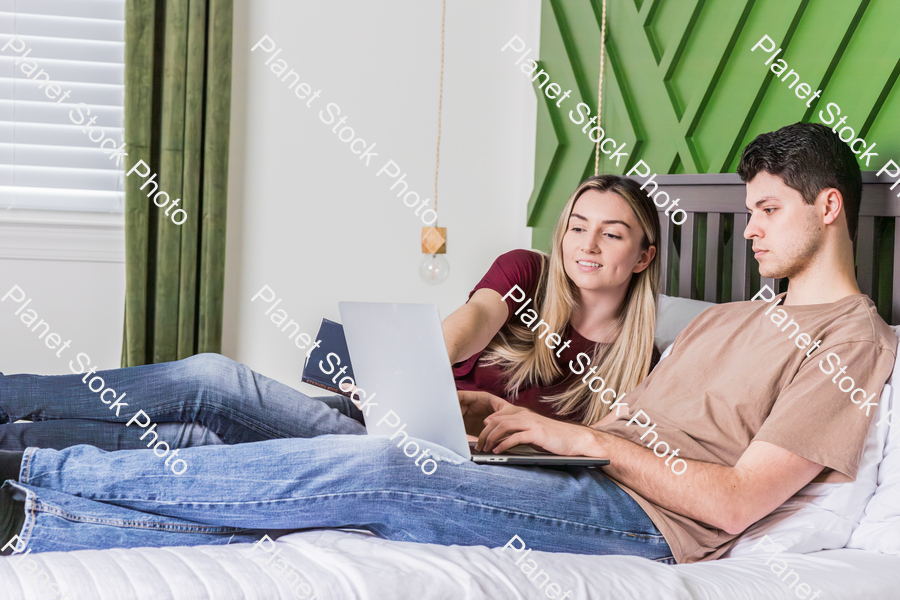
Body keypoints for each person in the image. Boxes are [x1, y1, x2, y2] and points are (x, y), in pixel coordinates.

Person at [0, 122, 892, 566]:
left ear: (830, 207)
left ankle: (35, 488)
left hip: (644, 524)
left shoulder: (854, 342)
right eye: (746, 215)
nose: (749, 234)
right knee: (251, 410)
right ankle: (45, 517)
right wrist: (507, 424)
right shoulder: (729, 318)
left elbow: (736, 503)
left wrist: (574, 437)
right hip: (575, 478)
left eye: (766, 213)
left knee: (378, 475)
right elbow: (625, 422)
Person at [0, 174, 660, 455]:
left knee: (214, 384)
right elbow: (467, 326)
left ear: (642, 256)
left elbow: (599, 453)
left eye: (612, 233)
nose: (588, 245)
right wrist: (404, 374)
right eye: (578, 226)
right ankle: (15, 432)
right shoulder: (525, 272)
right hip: (386, 414)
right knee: (199, 437)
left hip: (427, 457)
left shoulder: (645, 364)